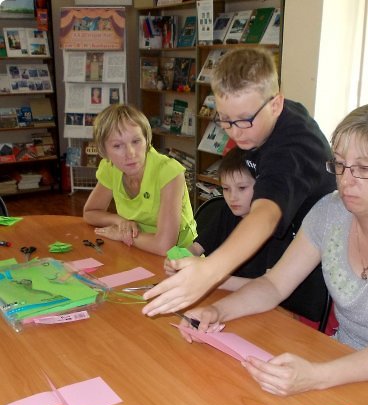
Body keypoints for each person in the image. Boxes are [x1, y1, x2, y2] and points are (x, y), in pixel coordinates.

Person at [177, 101, 368, 405]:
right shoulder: (330, 211)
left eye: (363, 169)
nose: (346, 181)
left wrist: (316, 376)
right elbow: (274, 284)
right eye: (341, 164)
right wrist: (217, 311)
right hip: (345, 363)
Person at [143, 47, 336, 316]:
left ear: (276, 104)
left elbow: (266, 214)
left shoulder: (292, 147)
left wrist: (209, 272)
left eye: (244, 120)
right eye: (225, 119)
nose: (234, 132)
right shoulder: (258, 121)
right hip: (280, 259)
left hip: (313, 265)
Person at [165, 147, 294, 293]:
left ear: (264, 185)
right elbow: (196, 248)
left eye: (242, 188)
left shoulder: (279, 227)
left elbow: (269, 287)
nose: (232, 197)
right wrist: (176, 260)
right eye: (226, 189)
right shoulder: (227, 213)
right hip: (223, 295)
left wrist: (211, 277)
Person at [83, 104, 196, 255]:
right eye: (117, 145)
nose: (130, 153)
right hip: (136, 250)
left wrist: (122, 235)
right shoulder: (110, 167)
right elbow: (90, 212)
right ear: (104, 151)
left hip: (179, 258)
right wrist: (119, 221)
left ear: (147, 140)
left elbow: (165, 247)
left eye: (136, 141)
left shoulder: (169, 172)